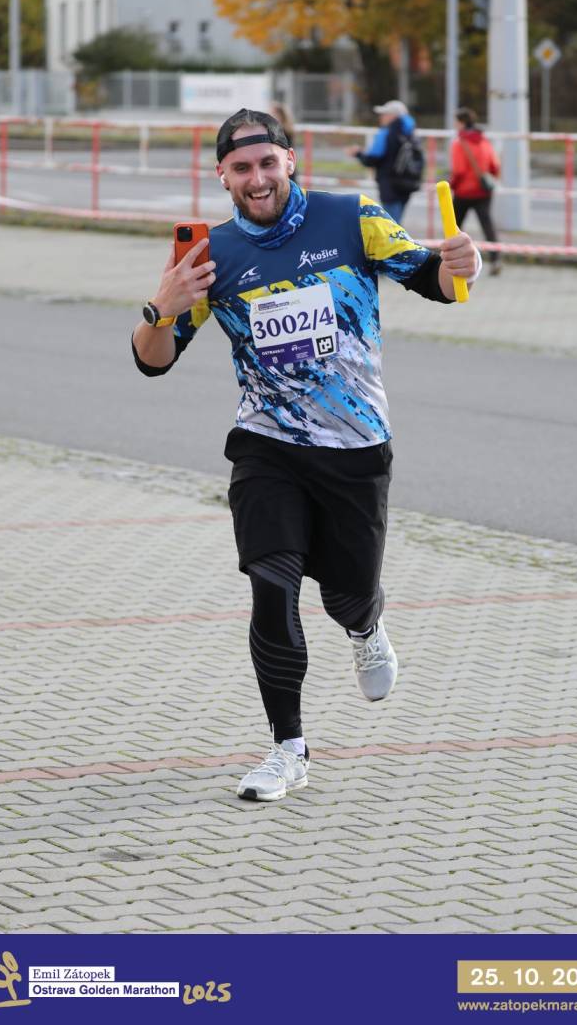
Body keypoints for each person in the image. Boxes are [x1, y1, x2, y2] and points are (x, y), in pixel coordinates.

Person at [131, 108, 481, 803]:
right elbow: (153, 362)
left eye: (267, 163)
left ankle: (366, 624)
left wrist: (457, 267)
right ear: (222, 176)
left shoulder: (352, 218)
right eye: (241, 168)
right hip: (268, 446)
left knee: (347, 595)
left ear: (290, 160)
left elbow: (434, 282)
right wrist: (160, 306)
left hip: (354, 448)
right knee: (271, 582)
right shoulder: (209, 255)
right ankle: (287, 749)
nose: (257, 179)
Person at [346, 99, 420, 224]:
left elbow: (372, 159)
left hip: (389, 185)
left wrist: (358, 153)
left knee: (390, 224)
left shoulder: (386, 133)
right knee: (397, 222)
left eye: (385, 114)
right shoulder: (411, 133)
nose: (381, 117)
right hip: (408, 184)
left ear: (393, 116)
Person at [450, 107, 502, 275]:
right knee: (487, 225)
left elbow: (459, 170)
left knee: (453, 226)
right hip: (483, 191)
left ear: (462, 123)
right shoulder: (484, 140)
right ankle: (496, 259)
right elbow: (495, 166)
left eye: (456, 121)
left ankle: (449, 262)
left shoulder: (459, 143)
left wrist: (452, 185)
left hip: (464, 191)